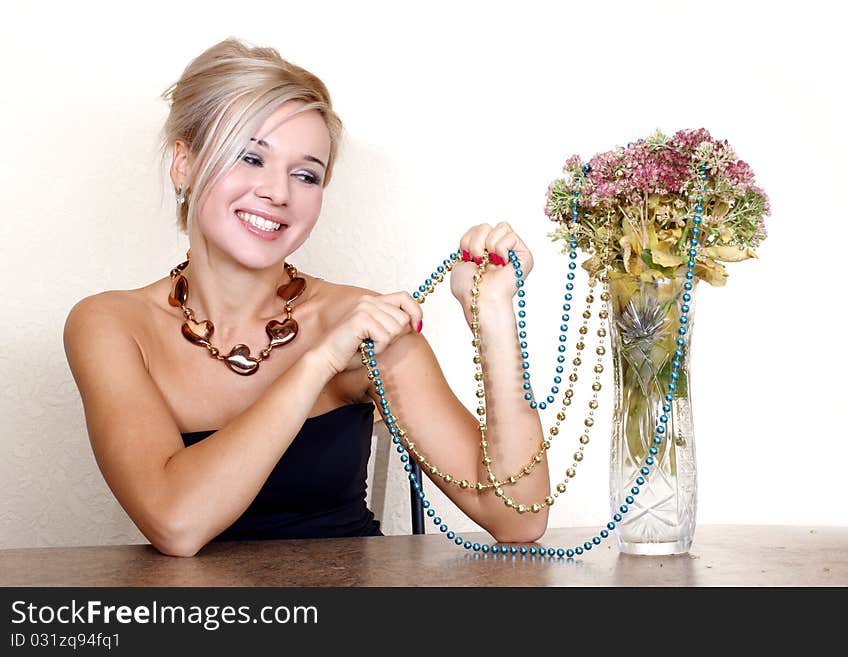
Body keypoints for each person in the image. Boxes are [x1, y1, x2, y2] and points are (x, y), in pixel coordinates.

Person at [63, 38, 549, 557]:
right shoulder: (111, 325)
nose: (279, 192)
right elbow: (176, 523)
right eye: (250, 157)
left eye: (306, 174)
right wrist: (319, 362)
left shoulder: (363, 324)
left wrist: (492, 320)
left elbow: (517, 517)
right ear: (184, 163)